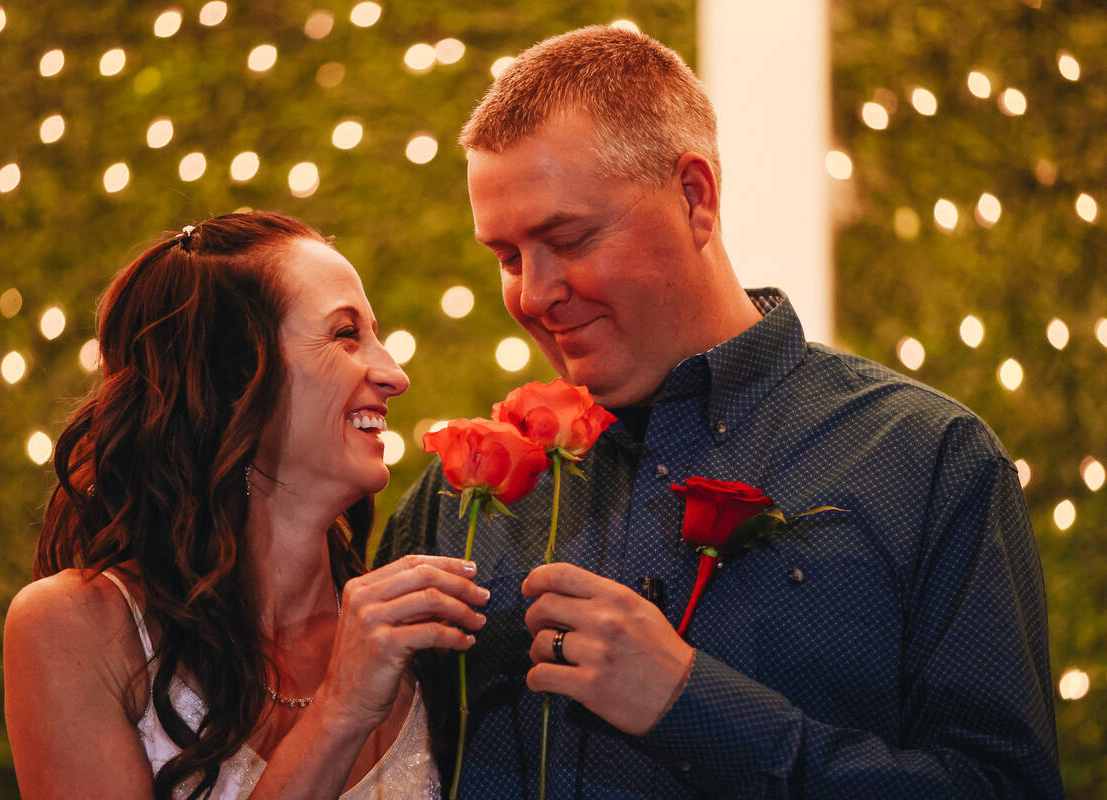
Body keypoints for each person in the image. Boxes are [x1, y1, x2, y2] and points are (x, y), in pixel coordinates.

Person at [377, 26, 1063, 798]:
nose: (532, 295)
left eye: (567, 239)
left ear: (695, 198)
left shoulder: (928, 459)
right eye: (506, 258)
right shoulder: (459, 498)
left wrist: (691, 705)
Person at [4, 211, 489, 799]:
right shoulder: (78, 629)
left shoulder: (407, 628)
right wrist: (341, 709)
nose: (393, 373)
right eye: (344, 334)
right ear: (233, 377)